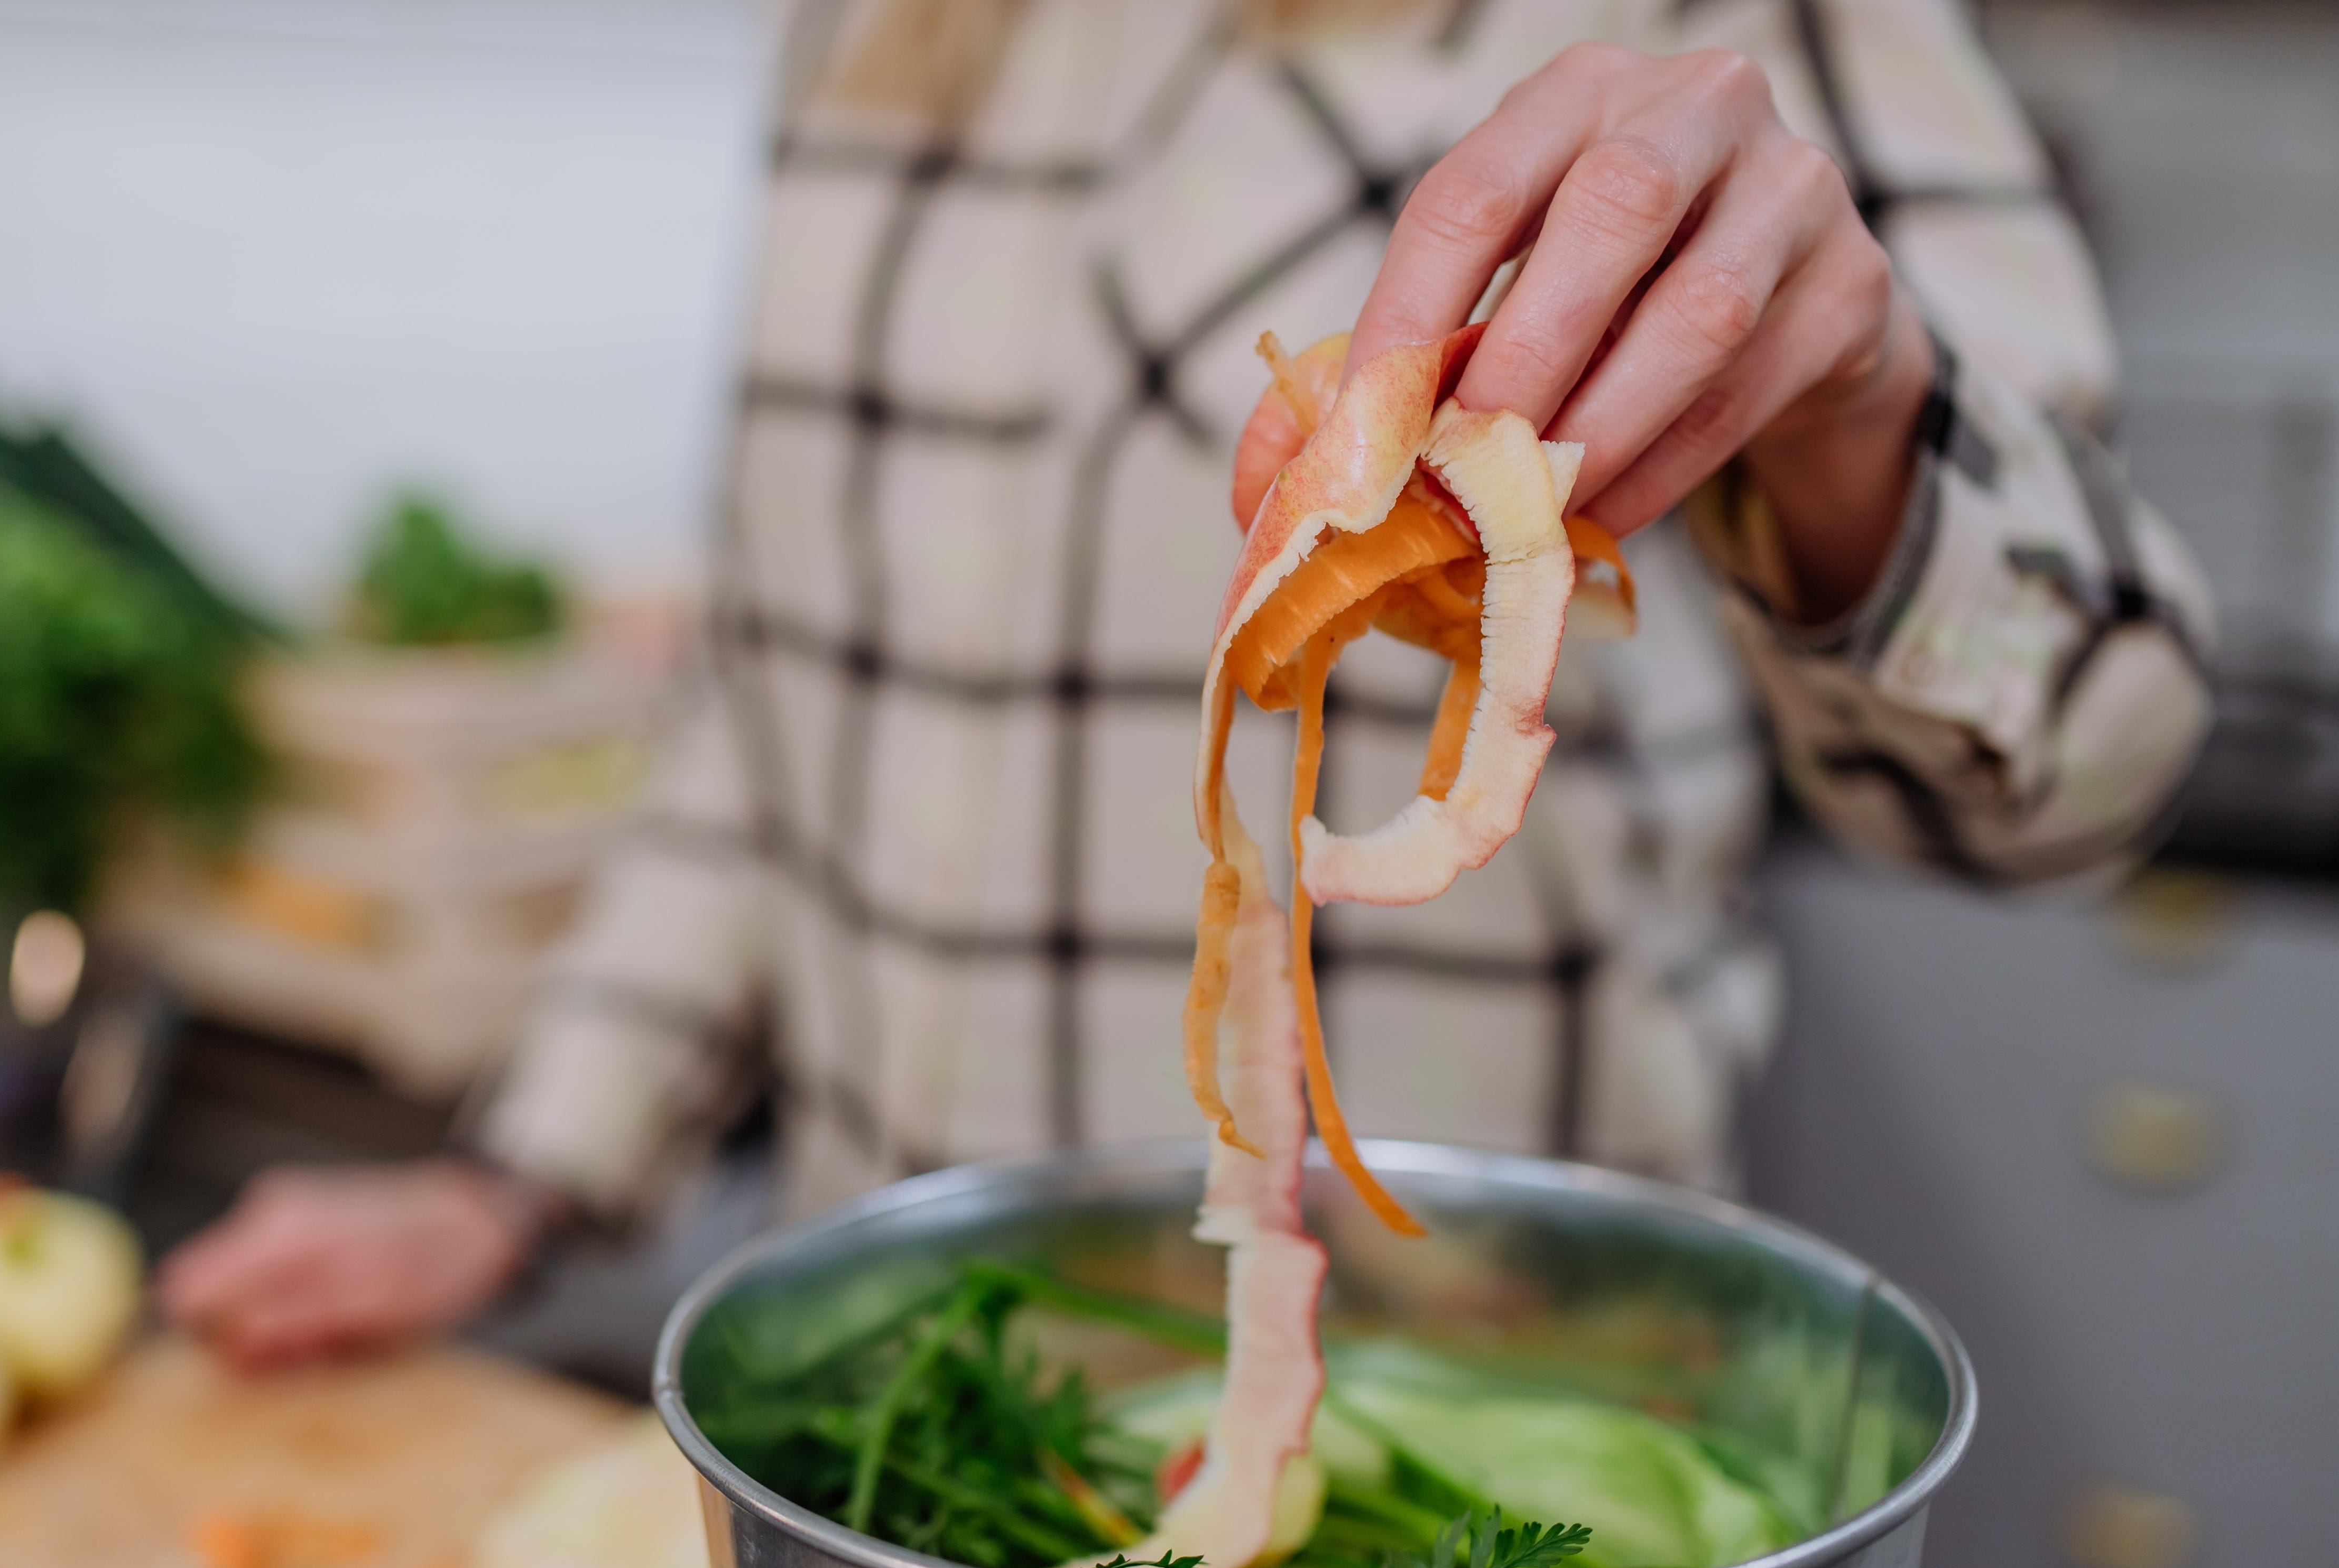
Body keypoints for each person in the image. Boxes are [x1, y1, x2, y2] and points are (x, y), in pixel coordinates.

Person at [164, 0, 2213, 1370]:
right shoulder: (885, 36)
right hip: (916, 1408)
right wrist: (523, 1171)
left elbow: (2087, 760)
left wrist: (1864, 419)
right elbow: (779, 706)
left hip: (1462, 1413)